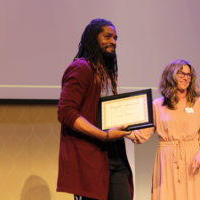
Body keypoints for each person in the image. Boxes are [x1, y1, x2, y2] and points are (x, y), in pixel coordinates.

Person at [57, 18, 133, 200]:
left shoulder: (105, 73)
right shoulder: (81, 68)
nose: (113, 42)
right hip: (91, 157)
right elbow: (66, 112)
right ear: (93, 38)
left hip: (114, 156)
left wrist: (132, 127)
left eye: (115, 38)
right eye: (107, 36)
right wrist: (103, 135)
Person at [126, 59, 200, 200]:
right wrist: (122, 128)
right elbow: (141, 135)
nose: (186, 77)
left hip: (193, 159)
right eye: (181, 73)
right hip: (166, 161)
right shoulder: (157, 105)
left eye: (189, 75)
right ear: (171, 75)